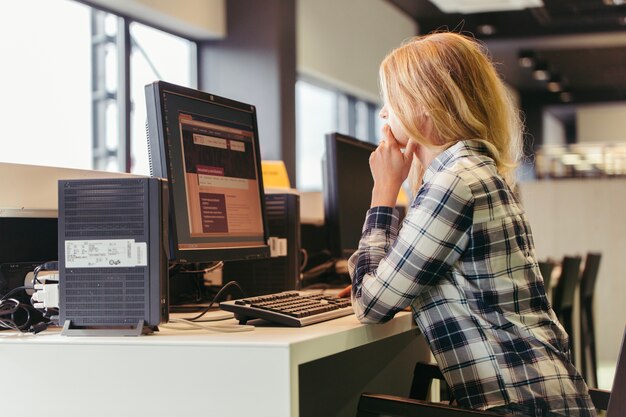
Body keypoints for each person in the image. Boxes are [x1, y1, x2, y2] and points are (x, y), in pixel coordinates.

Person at [346, 32, 597, 417]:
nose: (383, 113)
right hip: (544, 396)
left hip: (519, 406)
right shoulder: (476, 172)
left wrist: (383, 191)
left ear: (423, 107)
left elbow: (371, 303)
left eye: (390, 101)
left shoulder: (454, 183)